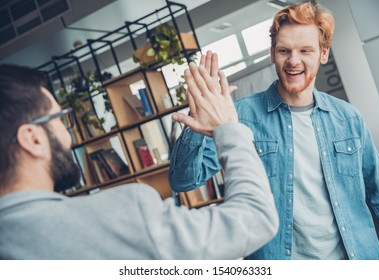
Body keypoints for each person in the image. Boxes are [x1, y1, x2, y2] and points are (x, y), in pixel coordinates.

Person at [169, 2, 379, 260]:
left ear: (323, 53)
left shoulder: (348, 118)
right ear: (273, 53)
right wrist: (199, 122)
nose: (293, 61)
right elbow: (184, 181)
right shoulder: (237, 117)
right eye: (284, 50)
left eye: (305, 50)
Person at [0, 64, 278, 259]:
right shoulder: (121, 216)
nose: (68, 133)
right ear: (33, 139)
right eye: (60, 118)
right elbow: (255, 218)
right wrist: (227, 127)